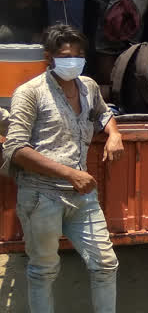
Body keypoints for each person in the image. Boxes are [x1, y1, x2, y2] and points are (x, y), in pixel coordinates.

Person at [1, 24, 123, 313]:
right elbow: (15, 149)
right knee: (43, 270)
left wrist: (114, 134)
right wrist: (70, 173)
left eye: (79, 54)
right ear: (49, 57)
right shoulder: (30, 93)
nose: (74, 60)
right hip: (42, 197)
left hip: (82, 196)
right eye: (67, 55)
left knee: (105, 263)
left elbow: (103, 112)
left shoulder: (88, 86)